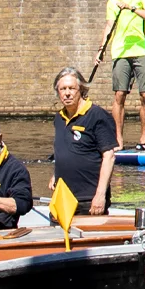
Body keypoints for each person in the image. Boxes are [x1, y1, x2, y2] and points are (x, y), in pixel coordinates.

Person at [103, 0, 145, 151]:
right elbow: (109, 26)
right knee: (119, 95)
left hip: (143, 51)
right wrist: (101, 49)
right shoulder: (113, 0)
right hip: (120, 52)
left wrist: (131, 8)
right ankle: (118, 141)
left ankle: (143, 140)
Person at [51, 66, 118, 215]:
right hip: (63, 198)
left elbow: (109, 156)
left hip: (88, 199)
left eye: (71, 88)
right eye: (63, 89)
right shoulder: (59, 118)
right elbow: (64, 149)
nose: (67, 93)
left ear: (80, 89)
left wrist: (100, 195)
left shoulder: (97, 116)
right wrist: (55, 174)